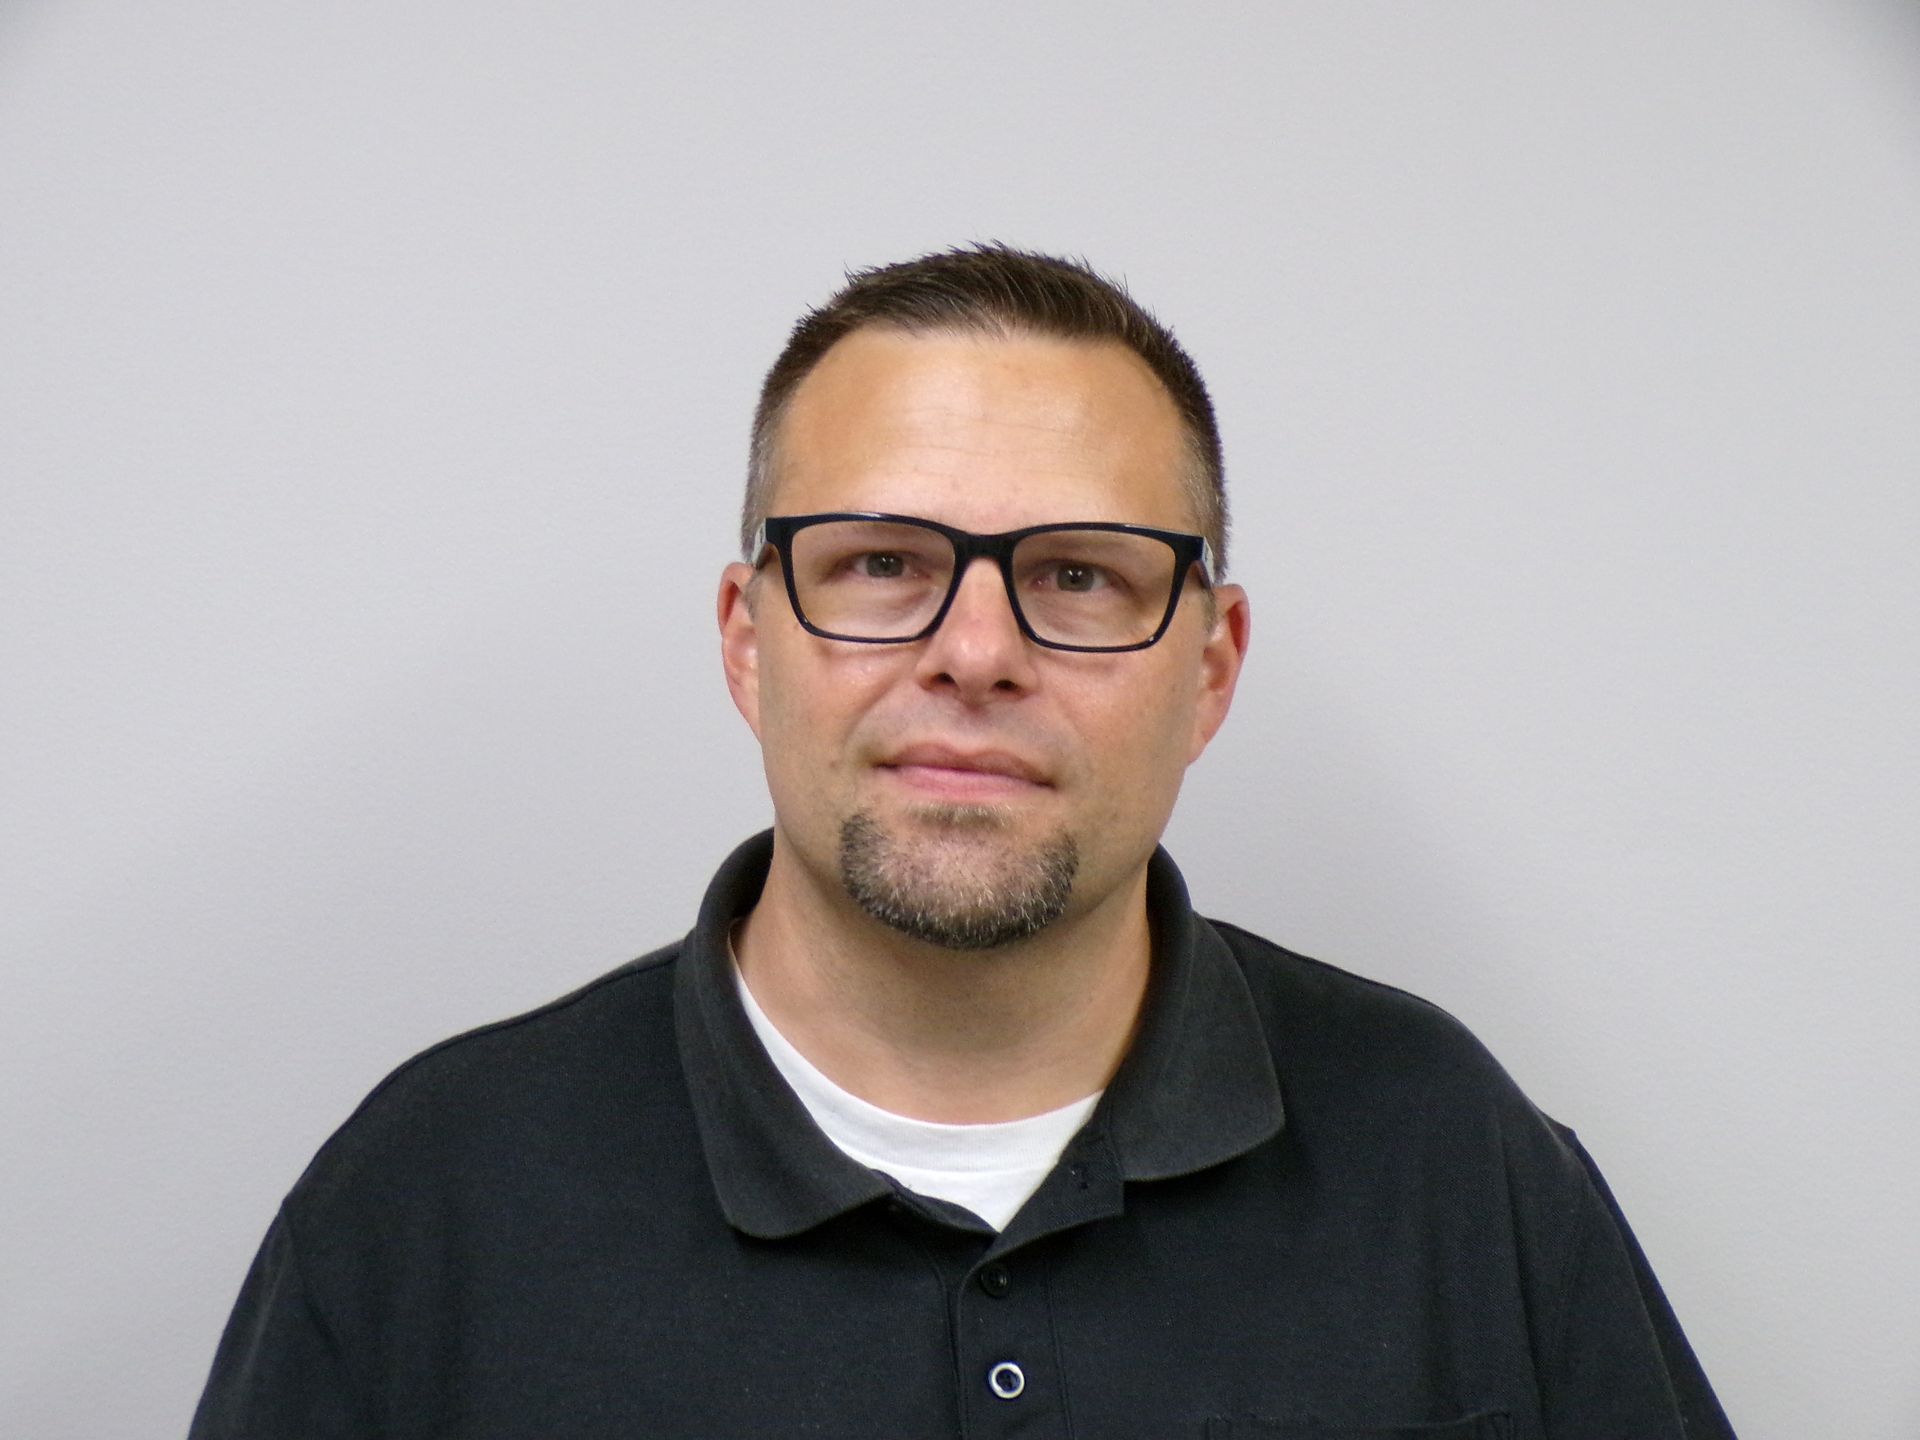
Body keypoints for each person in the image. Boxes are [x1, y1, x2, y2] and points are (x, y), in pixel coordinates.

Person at [191, 245, 1733, 1438]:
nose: (976, 650)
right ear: (748, 641)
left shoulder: (1450, 1158)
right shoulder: (431, 1200)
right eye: (878, 564)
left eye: (1078, 576)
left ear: (1208, 667)